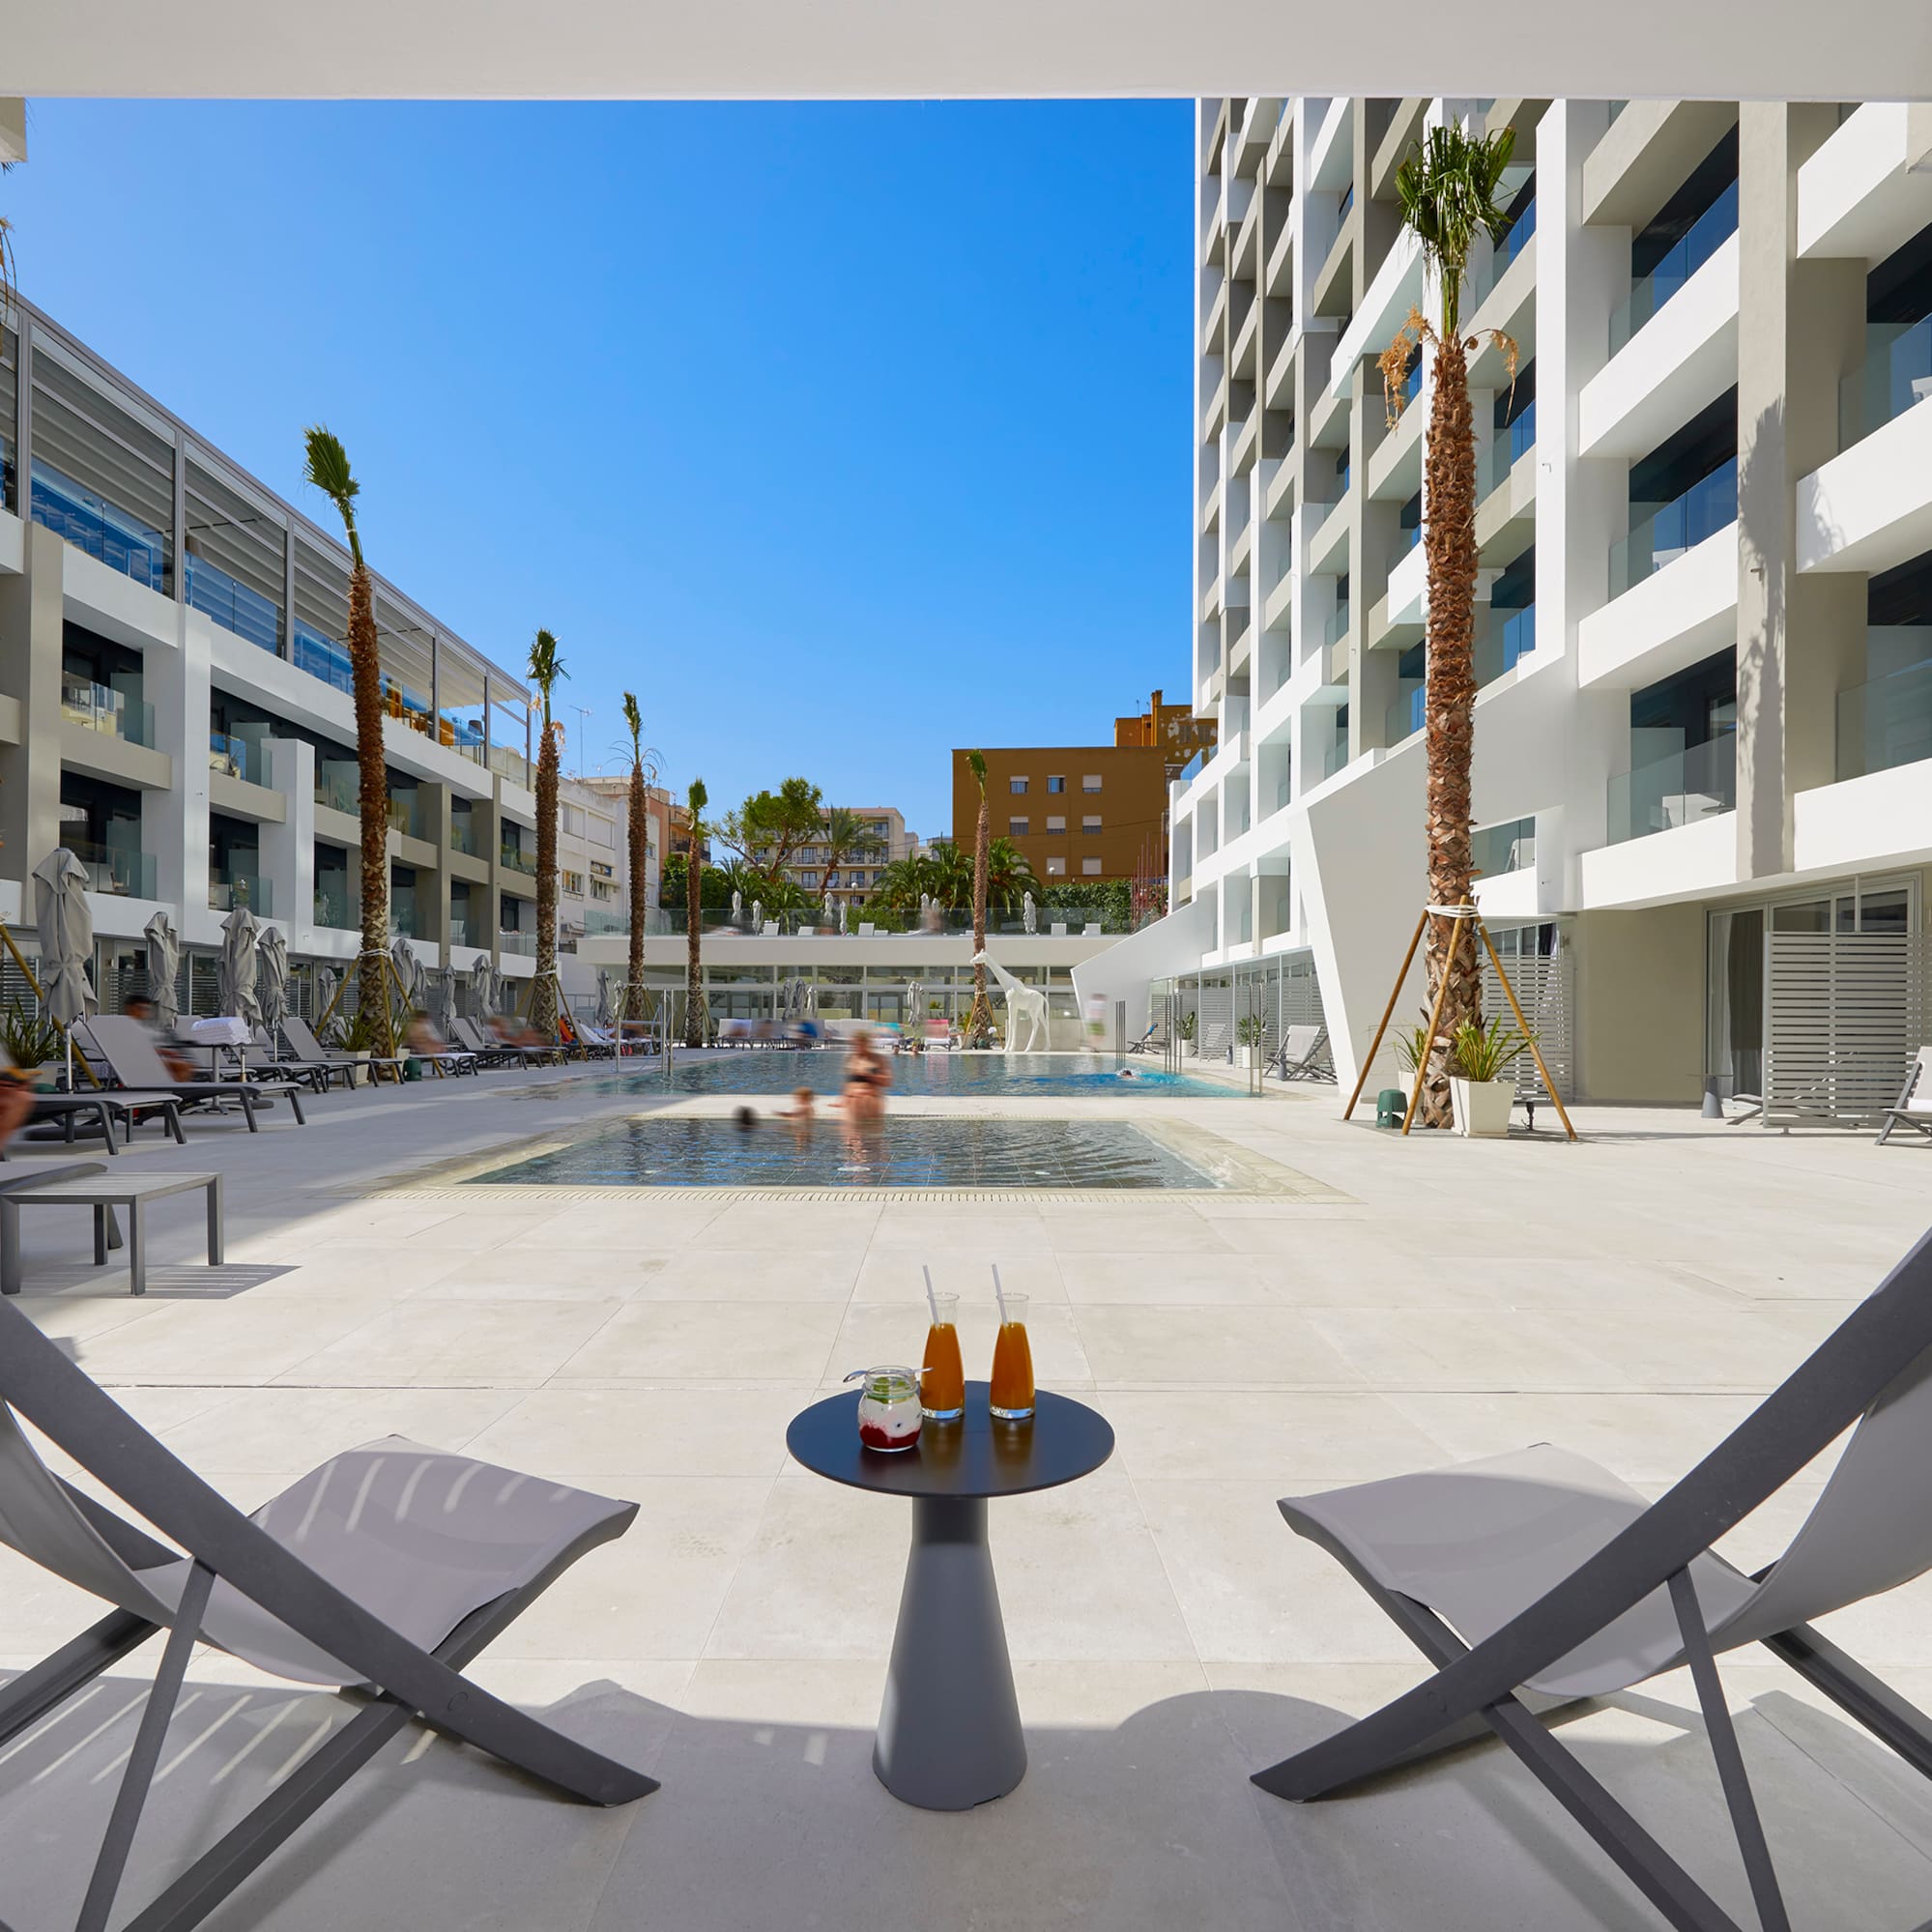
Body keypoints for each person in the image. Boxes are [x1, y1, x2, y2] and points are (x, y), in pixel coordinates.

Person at [124, 995, 196, 1081]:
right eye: (141, 1008)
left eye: (147, 1009)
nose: (144, 1012)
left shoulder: (144, 1026)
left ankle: (172, 1087)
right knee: (181, 1066)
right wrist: (166, 1052)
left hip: (151, 1057)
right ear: (130, 1008)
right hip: (140, 1060)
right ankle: (172, 1089)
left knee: (184, 1065)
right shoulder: (128, 1026)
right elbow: (137, 1047)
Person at [838, 1026, 891, 1122]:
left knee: (870, 1134)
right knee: (851, 1133)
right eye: (855, 1044)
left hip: (871, 1102)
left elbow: (887, 1081)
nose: (857, 1046)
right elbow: (847, 1082)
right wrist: (843, 1098)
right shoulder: (850, 1059)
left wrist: (868, 1075)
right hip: (853, 1103)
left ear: (867, 1043)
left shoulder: (878, 1059)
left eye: (860, 1044)